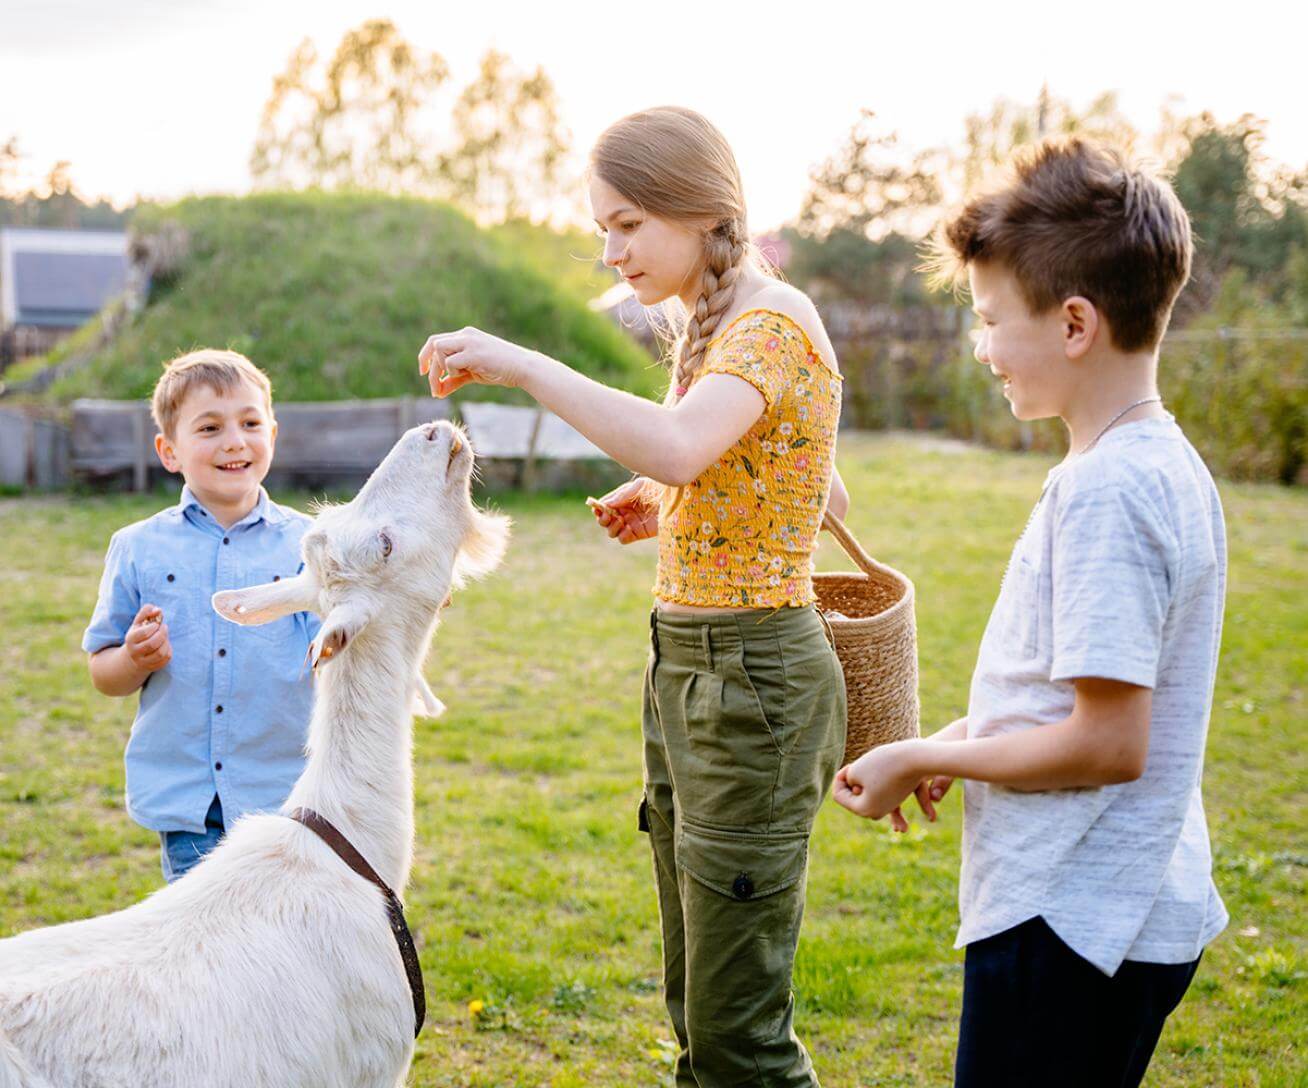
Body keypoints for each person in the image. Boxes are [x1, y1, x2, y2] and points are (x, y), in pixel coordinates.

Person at [419, 106, 849, 1086]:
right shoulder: (721, 318)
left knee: (740, 1036)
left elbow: (686, 443)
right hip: (693, 671)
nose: (609, 251)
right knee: (698, 1007)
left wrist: (523, 364)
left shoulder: (769, 319)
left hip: (754, 682)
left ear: (698, 210)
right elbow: (814, 478)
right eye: (600, 228)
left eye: (626, 224)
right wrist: (671, 498)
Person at [834, 138, 1228, 1088]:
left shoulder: (1107, 493)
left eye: (989, 318)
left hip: (1073, 917)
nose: (980, 345)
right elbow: (1085, 696)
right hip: (1129, 903)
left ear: (1076, 324)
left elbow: (1108, 743)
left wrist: (925, 754)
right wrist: (974, 737)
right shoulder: (1161, 463)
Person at [83, 349, 318, 882]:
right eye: (210, 427)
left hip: (290, 799)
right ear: (169, 451)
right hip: (193, 809)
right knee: (207, 956)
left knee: (285, 951)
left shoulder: (311, 545)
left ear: (273, 436)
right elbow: (103, 672)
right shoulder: (138, 546)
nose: (234, 441)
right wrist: (135, 658)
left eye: (250, 423)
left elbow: (342, 653)